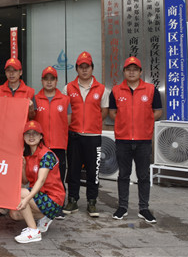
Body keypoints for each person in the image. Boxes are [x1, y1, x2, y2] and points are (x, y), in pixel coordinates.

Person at [109, 56, 162, 224]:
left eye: (135, 69)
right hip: (123, 139)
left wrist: (145, 122)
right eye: (128, 69)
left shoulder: (151, 90)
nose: (131, 72)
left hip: (143, 140)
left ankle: (144, 208)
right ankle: (122, 207)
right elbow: (112, 112)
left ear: (140, 72)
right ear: (124, 72)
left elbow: (158, 111)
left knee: (143, 175)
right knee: (123, 175)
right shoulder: (116, 90)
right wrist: (124, 123)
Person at [61, 52, 108, 217]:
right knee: (73, 170)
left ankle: (92, 201)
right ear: (77, 69)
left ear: (92, 68)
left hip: (93, 137)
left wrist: (92, 123)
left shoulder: (102, 89)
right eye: (81, 67)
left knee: (93, 171)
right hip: (74, 135)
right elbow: (65, 111)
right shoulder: (68, 88)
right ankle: (72, 200)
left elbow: (103, 112)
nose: (84, 70)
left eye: (87, 67)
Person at [0, 57, 36, 219]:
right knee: (3, 170)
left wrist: (31, 108)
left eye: (14, 71)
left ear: (20, 72)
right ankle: (1, 206)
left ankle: (19, 201)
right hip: (4, 137)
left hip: (23, 138)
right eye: (9, 71)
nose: (11, 74)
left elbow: (33, 117)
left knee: (21, 171)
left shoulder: (30, 92)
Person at [10, 120, 65, 244]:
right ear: (23, 137)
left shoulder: (47, 155)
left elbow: (41, 180)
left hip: (53, 198)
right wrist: (23, 166)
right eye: (28, 133)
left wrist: (26, 199)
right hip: (39, 196)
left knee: (20, 194)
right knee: (14, 214)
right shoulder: (28, 155)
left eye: (35, 133)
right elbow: (25, 180)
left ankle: (33, 231)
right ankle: (45, 217)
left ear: (41, 136)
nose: (31, 136)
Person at [33, 66, 71, 219]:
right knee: (40, 177)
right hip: (41, 146)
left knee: (58, 177)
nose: (49, 82)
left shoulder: (65, 99)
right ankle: (41, 204)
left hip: (58, 145)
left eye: (52, 79)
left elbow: (68, 121)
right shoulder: (36, 99)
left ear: (56, 81)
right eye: (46, 79)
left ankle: (59, 206)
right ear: (42, 81)